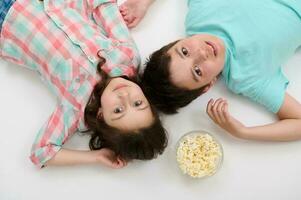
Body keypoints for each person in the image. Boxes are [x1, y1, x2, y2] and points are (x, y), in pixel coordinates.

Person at [0, 0, 167, 169]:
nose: (125, 96)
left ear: (102, 116)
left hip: (8, 22)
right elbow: (105, 7)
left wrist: (95, 157)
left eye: (118, 110)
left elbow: (41, 153)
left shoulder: (76, 109)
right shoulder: (128, 57)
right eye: (138, 103)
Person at [120, 0, 301, 141]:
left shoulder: (199, 16)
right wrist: (243, 132)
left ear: (175, 42)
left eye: (184, 51)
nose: (201, 53)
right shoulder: (248, 78)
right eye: (197, 71)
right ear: (208, 85)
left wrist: (144, 2)